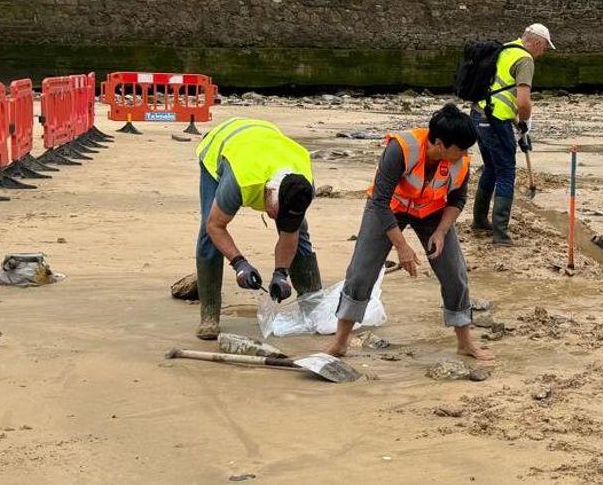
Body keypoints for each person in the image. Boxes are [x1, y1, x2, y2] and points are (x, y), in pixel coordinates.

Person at [325, 104, 492, 361]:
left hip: (432, 212)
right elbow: (380, 201)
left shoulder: (461, 162)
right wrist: (402, 246)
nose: (465, 154)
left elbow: (457, 201)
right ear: (439, 143)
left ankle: (465, 343)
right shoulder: (401, 149)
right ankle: (340, 342)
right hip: (389, 207)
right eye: (461, 148)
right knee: (361, 271)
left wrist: (440, 232)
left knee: (455, 273)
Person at [193, 118, 321, 340]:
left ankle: (313, 307)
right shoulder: (241, 181)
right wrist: (239, 263)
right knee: (208, 230)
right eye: (275, 211)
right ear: (268, 192)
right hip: (222, 146)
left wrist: (281, 273)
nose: (275, 218)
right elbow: (216, 226)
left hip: (266, 140)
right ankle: (209, 314)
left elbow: (290, 233)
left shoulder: (303, 185)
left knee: (300, 232)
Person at [470, 23, 555, 245]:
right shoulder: (525, 59)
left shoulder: (505, 49)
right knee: (506, 172)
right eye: (544, 47)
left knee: (490, 168)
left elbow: (499, 90)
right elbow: (523, 101)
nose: (543, 53)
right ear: (536, 42)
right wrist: (525, 123)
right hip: (496, 120)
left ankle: (479, 221)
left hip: (478, 114)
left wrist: (516, 123)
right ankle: (500, 235)